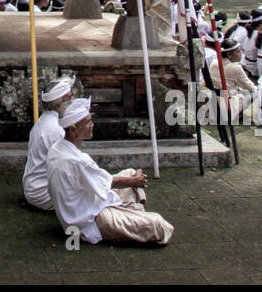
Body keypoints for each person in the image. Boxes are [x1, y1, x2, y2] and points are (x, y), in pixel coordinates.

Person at [46, 98, 173, 245]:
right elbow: (109, 182)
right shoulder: (76, 161)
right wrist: (135, 181)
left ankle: (130, 215)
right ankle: (132, 216)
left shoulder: (57, 148)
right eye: (88, 122)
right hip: (90, 220)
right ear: (74, 130)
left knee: (130, 172)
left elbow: (99, 181)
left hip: (82, 208)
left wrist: (132, 179)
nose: (92, 125)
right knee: (159, 225)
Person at [21, 76, 75, 211]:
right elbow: (68, 168)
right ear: (58, 105)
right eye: (69, 98)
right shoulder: (56, 129)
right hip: (42, 192)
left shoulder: (45, 120)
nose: (73, 101)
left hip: (34, 187)